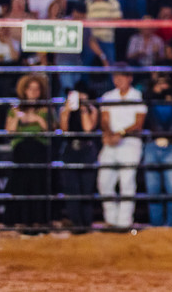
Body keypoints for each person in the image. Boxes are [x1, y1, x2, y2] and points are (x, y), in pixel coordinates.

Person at [98, 72, 147, 230]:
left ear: (130, 78)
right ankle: (111, 219)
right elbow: (104, 119)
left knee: (127, 182)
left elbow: (139, 123)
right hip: (111, 142)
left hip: (130, 143)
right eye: (115, 77)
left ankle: (124, 222)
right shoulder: (108, 96)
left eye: (121, 76)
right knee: (104, 181)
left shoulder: (137, 96)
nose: (118, 80)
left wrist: (120, 134)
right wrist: (109, 134)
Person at [5, 74, 52, 231]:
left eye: (36, 89)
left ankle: (39, 221)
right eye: (30, 89)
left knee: (38, 183)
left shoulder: (46, 109)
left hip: (39, 149)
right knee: (21, 184)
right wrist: (19, 117)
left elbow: (51, 130)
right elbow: (9, 131)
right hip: (21, 149)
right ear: (24, 91)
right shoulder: (15, 108)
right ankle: (22, 220)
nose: (33, 92)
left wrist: (37, 119)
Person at [143, 73, 172, 227]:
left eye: (165, 83)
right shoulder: (150, 98)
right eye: (159, 83)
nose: (162, 86)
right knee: (153, 188)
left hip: (171, 144)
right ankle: (156, 223)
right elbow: (147, 95)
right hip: (152, 144)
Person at [58, 81, 99, 232]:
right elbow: (64, 129)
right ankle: (76, 223)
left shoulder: (92, 110)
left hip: (86, 150)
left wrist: (83, 110)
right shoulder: (65, 109)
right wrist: (67, 110)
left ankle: (86, 224)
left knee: (86, 188)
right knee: (71, 188)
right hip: (70, 149)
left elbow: (88, 129)